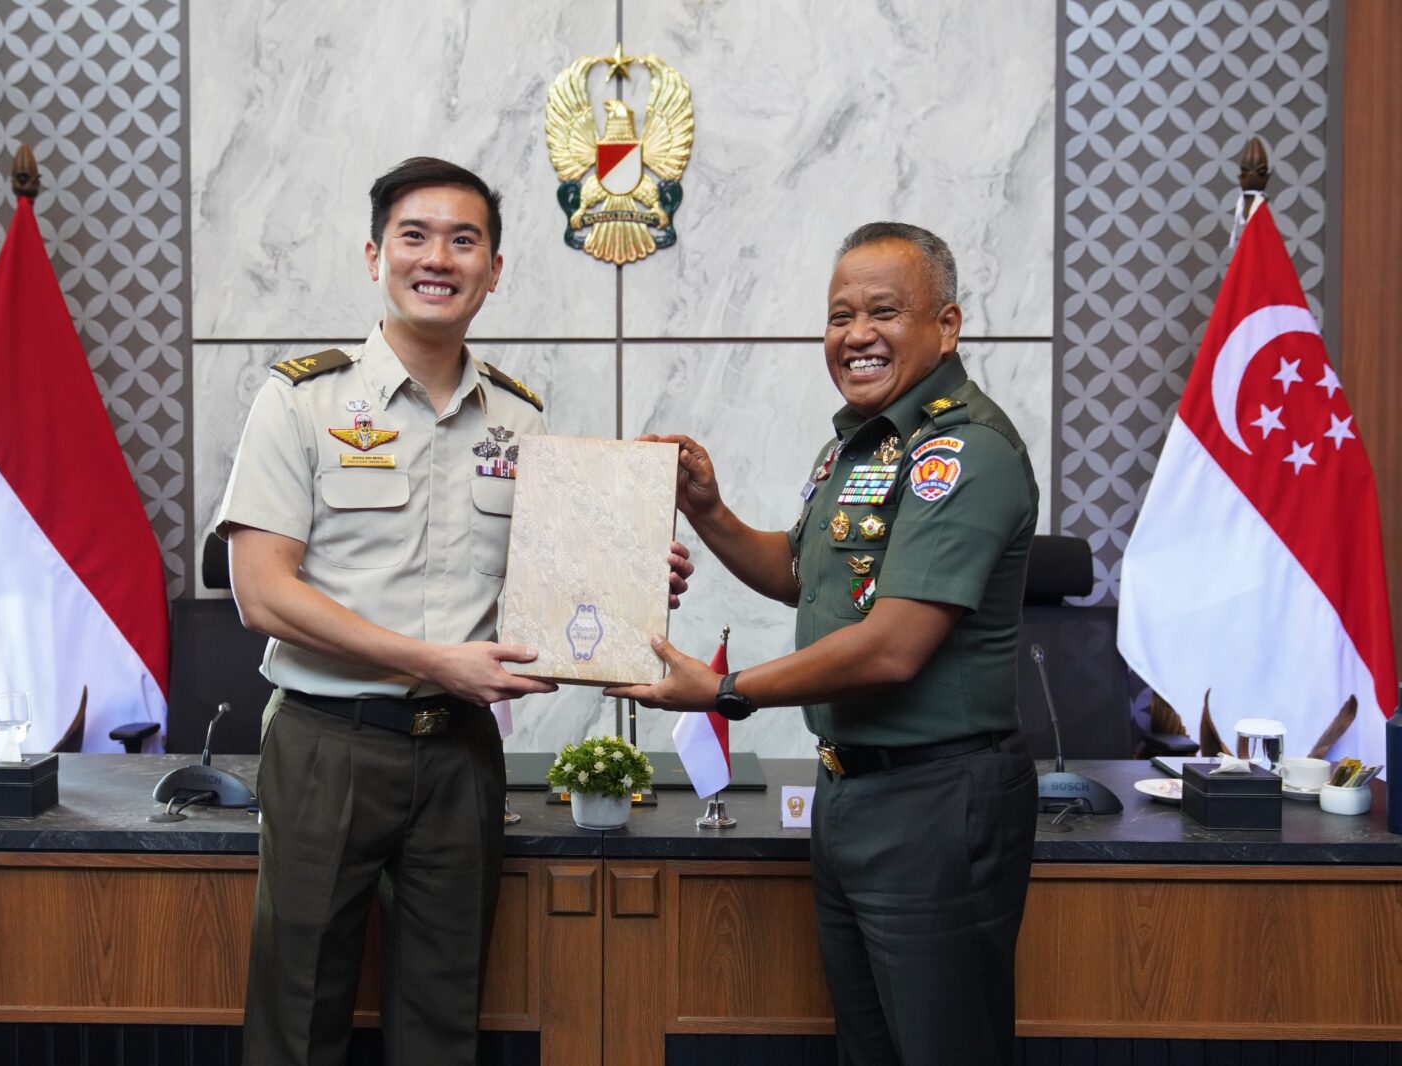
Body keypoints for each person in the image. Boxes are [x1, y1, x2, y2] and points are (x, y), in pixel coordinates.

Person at [215, 156, 690, 1066]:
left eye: (464, 241)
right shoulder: (301, 400)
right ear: (375, 256)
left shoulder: (519, 420)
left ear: (494, 269)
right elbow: (263, 592)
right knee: (298, 1013)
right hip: (327, 742)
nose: (438, 258)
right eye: (415, 236)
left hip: (460, 756)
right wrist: (433, 661)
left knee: (443, 1019)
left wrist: (627, 576)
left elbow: (548, 583)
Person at [608, 222, 1038, 1066]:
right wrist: (709, 512)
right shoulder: (859, 445)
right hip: (850, 794)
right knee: (868, 1048)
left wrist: (726, 692)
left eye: (884, 312)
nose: (857, 335)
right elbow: (803, 575)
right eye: (841, 316)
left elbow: (892, 648)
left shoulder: (964, 453)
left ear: (947, 325)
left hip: (936, 800)